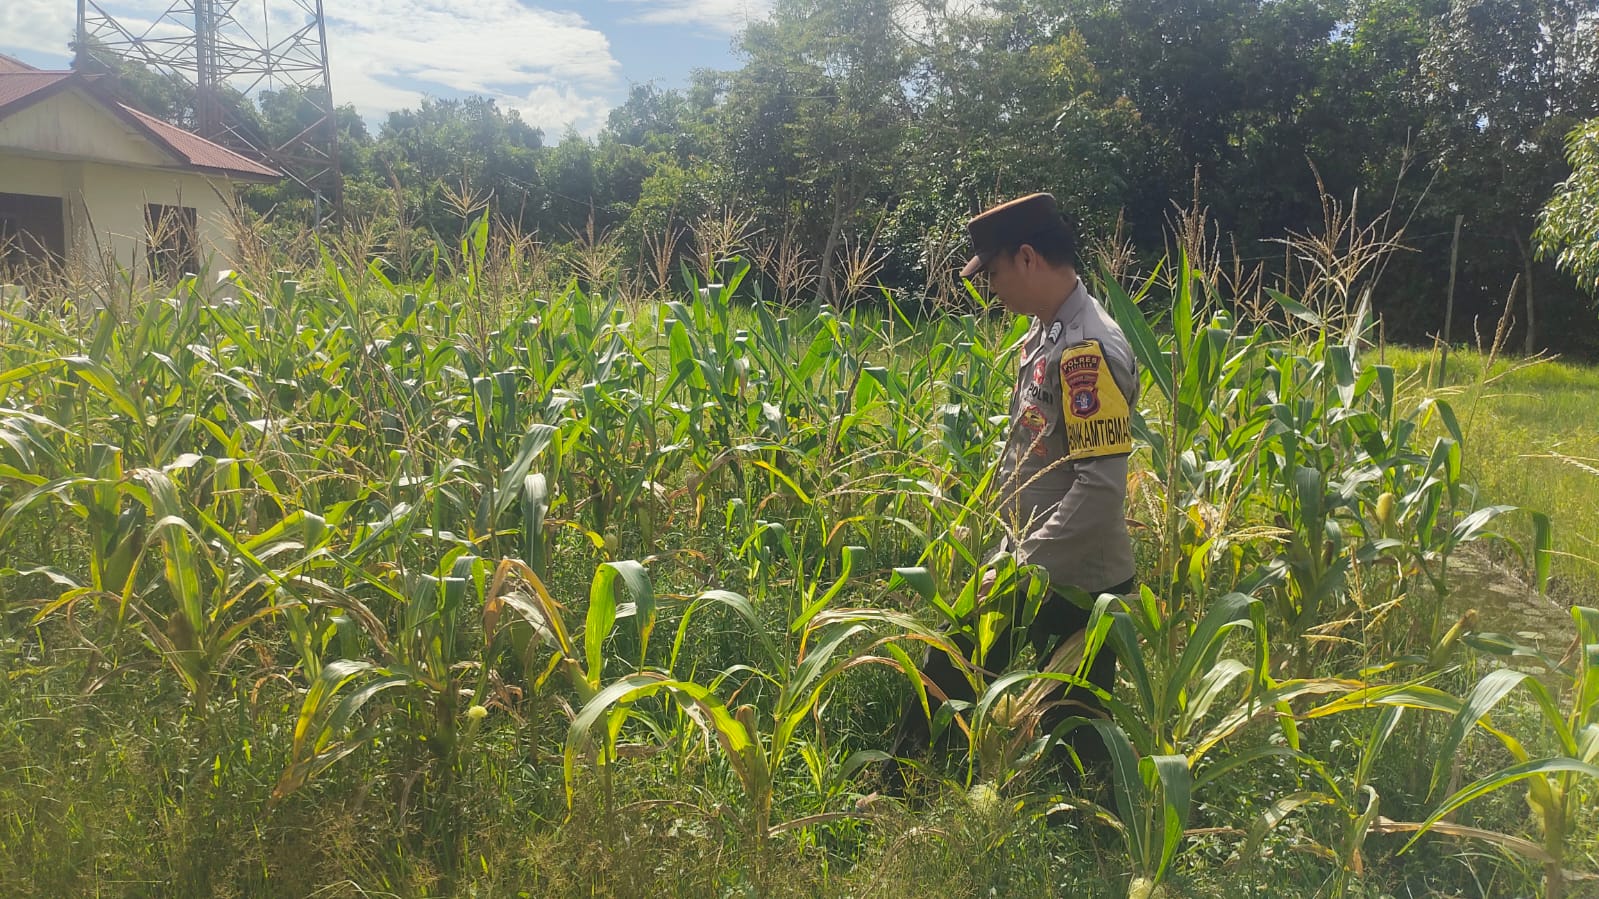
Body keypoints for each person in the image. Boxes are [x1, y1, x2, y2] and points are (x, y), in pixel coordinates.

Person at [883, 192, 1139, 793]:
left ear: (1027, 258)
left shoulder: (1087, 349)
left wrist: (1022, 564)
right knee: (949, 667)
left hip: (1079, 583)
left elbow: (1099, 489)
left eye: (993, 273)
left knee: (1074, 744)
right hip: (1027, 557)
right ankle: (898, 789)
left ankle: (1108, 826)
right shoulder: (1046, 333)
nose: (990, 288)